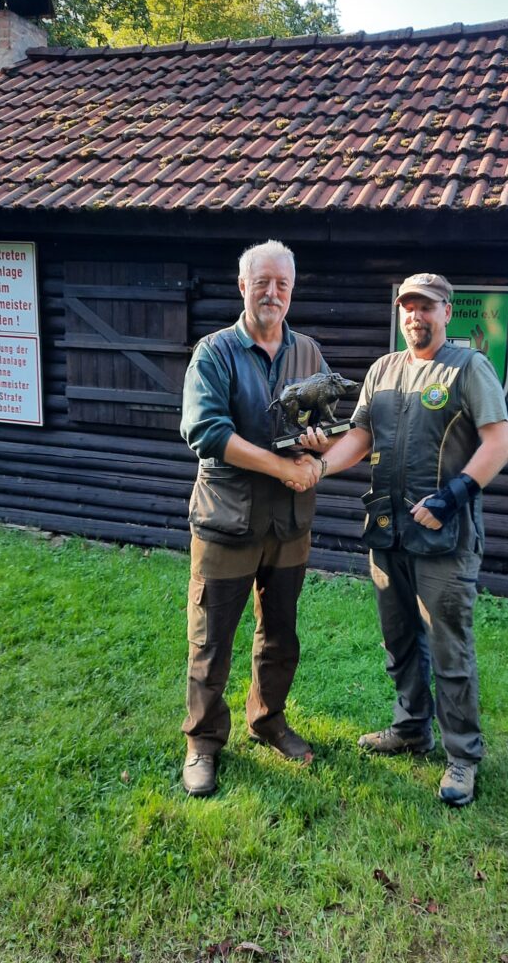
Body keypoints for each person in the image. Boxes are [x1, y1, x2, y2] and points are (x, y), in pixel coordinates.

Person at [315, 273, 508, 807]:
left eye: (426, 307)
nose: (415, 316)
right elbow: (360, 436)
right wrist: (319, 467)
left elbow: (498, 443)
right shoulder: (382, 369)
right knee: (400, 643)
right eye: (407, 306)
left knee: (449, 649)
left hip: (445, 536)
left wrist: (453, 495)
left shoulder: (470, 368)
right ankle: (410, 729)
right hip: (388, 532)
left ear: (447, 311)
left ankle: (463, 756)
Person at [179, 239, 327, 797]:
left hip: (289, 524)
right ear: (242, 286)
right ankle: (202, 742)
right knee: (211, 639)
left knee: (280, 634)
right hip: (227, 520)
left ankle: (267, 720)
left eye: (281, 284)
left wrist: (315, 448)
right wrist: (281, 467)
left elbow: (326, 419)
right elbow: (207, 432)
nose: (272, 293)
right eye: (261, 282)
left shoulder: (308, 352)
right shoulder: (214, 352)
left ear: (292, 290)